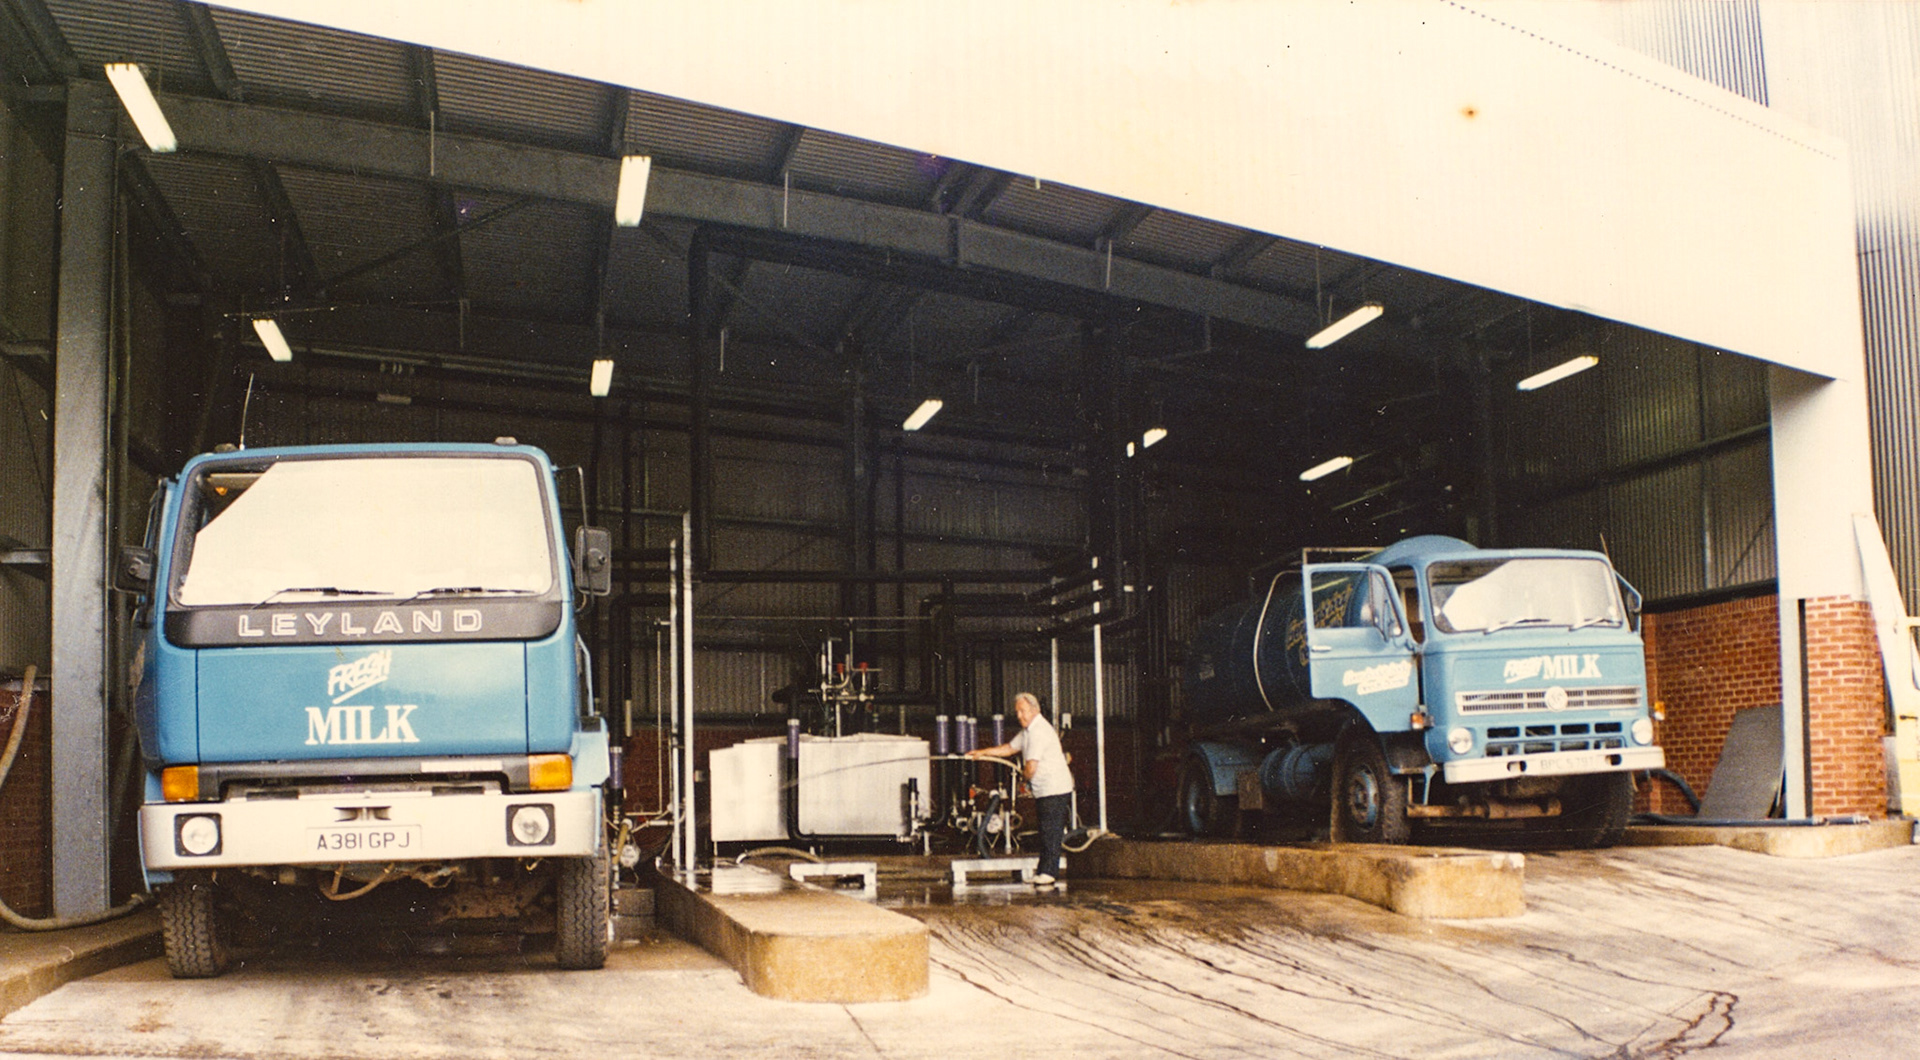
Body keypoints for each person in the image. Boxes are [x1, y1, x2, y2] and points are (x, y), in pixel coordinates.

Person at [966, 692, 1073, 887]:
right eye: (1017, 712)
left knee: (1050, 830)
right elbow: (1009, 748)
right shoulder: (1028, 731)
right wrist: (982, 753)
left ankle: (1049, 873)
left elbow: (1031, 766)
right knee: (1046, 829)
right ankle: (1045, 871)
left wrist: (1022, 783)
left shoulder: (1039, 731)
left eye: (1022, 711)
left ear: (1034, 710)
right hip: (1045, 789)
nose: (1019, 716)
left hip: (1054, 788)